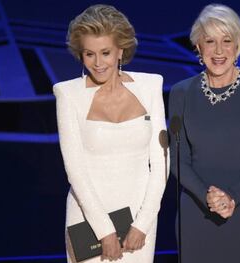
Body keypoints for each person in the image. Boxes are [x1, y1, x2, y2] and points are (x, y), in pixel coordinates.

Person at [53, 5, 169, 262]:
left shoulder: (150, 86)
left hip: (140, 219)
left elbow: (161, 163)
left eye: (105, 53)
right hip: (88, 219)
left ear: (121, 50)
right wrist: (105, 231)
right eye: (89, 54)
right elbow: (75, 170)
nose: (98, 63)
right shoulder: (68, 94)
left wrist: (143, 223)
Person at [168, 4, 240, 262]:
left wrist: (232, 196)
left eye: (227, 41)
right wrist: (207, 195)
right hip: (198, 215)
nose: (218, 51)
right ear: (198, 46)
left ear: (238, 45)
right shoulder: (180, 93)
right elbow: (177, 158)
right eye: (210, 41)